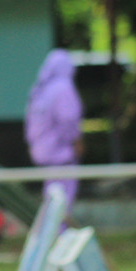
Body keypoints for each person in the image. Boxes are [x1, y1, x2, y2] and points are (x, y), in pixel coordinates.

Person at [24, 48, 84, 211]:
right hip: (61, 154)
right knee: (61, 201)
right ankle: (59, 227)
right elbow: (68, 118)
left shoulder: (40, 89)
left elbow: (30, 120)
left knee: (51, 197)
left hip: (42, 152)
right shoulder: (63, 88)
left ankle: (53, 226)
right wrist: (76, 140)